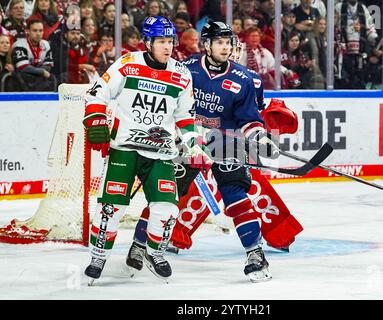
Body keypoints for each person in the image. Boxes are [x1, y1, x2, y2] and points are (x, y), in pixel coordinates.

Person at [127, 21, 279, 283]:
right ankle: (140, 244)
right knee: (166, 190)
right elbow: (170, 107)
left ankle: (255, 254)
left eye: (228, 42)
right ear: (207, 45)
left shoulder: (244, 79)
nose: (225, 47)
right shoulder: (185, 71)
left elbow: (249, 119)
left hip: (226, 141)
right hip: (190, 139)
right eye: (219, 42)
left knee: (235, 194)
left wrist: (258, 136)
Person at [83, 15, 211, 283]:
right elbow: (98, 93)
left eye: (170, 42)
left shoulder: (181, 74)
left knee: (166, 208)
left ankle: (155, 253)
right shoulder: (128, 64)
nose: (168, 47)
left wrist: (194, 146)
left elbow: (185, 117)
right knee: (111, 207)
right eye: (161, 42)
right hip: (124, 149)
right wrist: (96, 119)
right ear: (148, 42)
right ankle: (98, 255)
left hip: (161, 153)